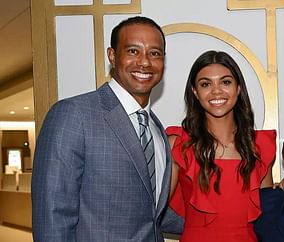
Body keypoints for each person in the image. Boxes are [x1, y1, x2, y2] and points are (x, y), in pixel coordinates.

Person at [32, 16, 183, 242]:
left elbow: (149, 214)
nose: (144, 62)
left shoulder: (156, 128)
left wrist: (228, 223)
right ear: (112, 55)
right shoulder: (73, 114)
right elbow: (52, 216)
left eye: (155, 53)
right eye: (133, 51)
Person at [165, 50, 276, 242]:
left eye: (225, 82)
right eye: (206, 84)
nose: (216, 91)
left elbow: (267, 214)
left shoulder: (260, 146)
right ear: (195, 92)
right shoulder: (179, 143)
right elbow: (153, 211)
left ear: (238, 88)